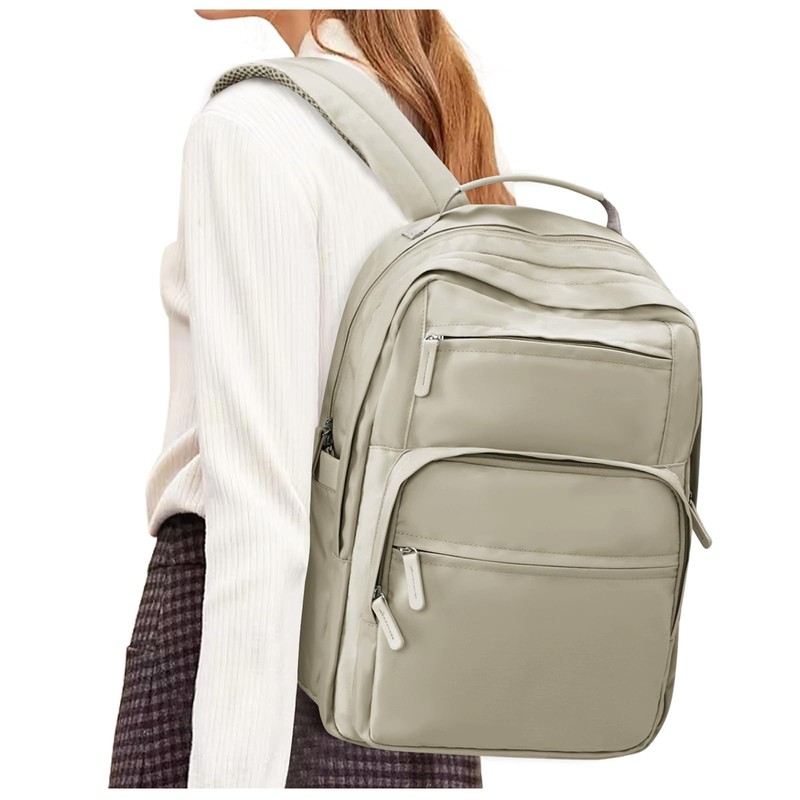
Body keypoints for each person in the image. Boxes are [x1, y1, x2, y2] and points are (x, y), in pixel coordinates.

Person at [108, 9, 513, 789]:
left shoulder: (251, 129)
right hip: (413, 669)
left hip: (249, 666)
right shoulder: (428, 127)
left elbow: (262, 522)